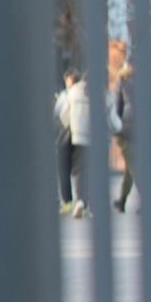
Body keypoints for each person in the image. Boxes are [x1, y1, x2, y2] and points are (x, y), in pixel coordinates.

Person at [54, 70, 94, 217]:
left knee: (67, 169)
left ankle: (72, 202)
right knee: (83, 170)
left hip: (72, 134)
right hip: (89, 136)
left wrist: (70, 124)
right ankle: (83, 201)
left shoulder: (70, 93)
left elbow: (62, 114)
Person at [112, 62, 136, 213]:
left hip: (126, 130)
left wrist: (116, 128)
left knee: (134, 167)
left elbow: (118, 107)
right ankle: (122, 200)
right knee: (130, 167)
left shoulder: (122, 84)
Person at [55, 69, 77, 214]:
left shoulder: (66, 95)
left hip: (66, 134)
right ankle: (82, 200)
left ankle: (67, 201)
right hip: (82, 135)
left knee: (64, 169)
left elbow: (58, 113)